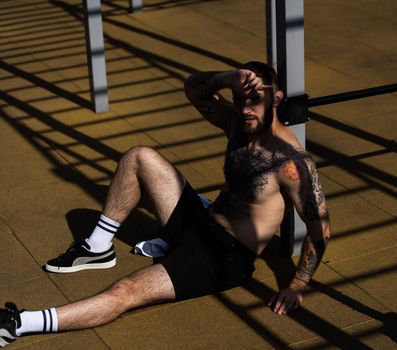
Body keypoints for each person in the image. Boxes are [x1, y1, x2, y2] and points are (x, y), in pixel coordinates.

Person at [0, 61, 331, 347]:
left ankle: (18, 323)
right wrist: (228, 77)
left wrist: (297, 286)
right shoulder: (238, 124)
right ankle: (98, 247)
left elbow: (320, 228)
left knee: (125, 291)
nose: (246, 109)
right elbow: (193, 88)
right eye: (240, 99)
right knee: (139, 157)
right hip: (202, 219)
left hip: (222, 256)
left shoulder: (290, 163)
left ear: (276, 98)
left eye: (256, 101)